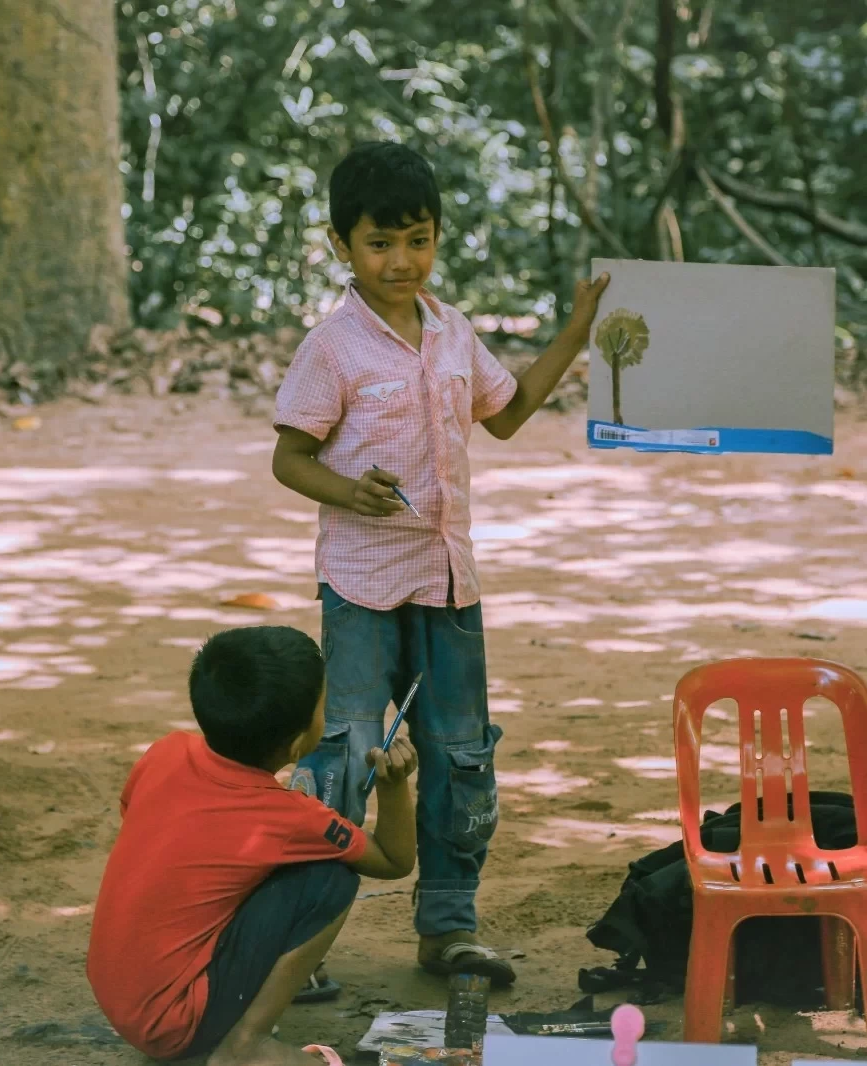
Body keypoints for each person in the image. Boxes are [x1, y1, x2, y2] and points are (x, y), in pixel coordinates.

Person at [271, 139, 610, 1000]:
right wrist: (350, 492)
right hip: (360, 586)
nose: (401, 261)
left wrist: (576, 332)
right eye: (380, 244)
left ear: (437, 237)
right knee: (345, 754)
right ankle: (299, 944)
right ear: (342, 245)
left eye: (417, 240)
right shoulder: (333, 348)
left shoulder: (455, 331)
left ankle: (450, 929)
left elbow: (508, 413)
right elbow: (290, 459)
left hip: (451, 584)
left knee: (461, 755)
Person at [87, 625, 418, 1066]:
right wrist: (394, 787)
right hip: (173, 1023)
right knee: (329, 877)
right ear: (301, 741)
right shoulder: (289, 817)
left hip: (118, 992)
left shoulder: (165, 751)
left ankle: (223, 1027)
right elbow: (395, 861)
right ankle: (246, 1046)